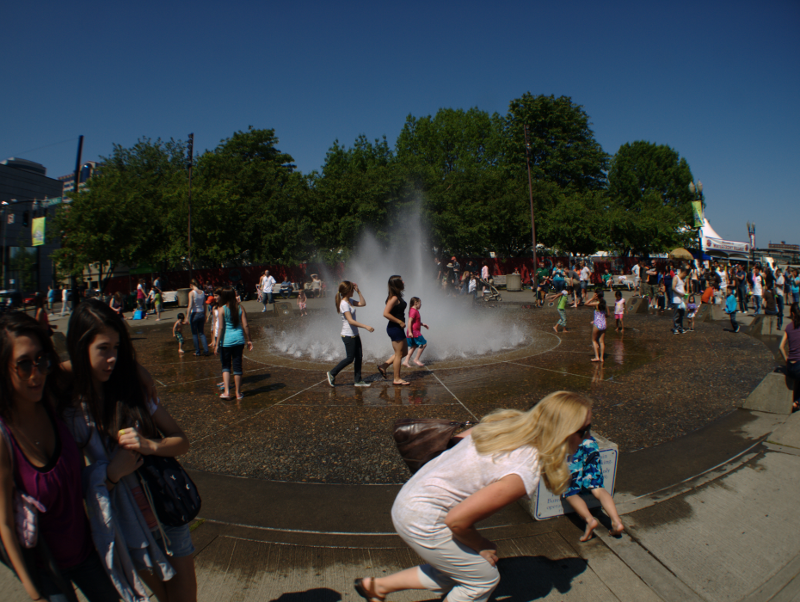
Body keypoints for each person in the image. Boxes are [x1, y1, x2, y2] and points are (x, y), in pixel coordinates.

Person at [354, 391, 593, 602]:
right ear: (565, 433)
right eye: (584, 431)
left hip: (411, 497)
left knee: (463, 569)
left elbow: (456, 446)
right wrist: (482, 545)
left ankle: (376, 587)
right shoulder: (524, 472)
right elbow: (457, 521)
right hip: (424, 517)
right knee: (482, 580)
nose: (588, 438)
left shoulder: (507, 423)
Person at [61, 299, 198, 601]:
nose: (112, 358)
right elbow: (70, 481)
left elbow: (181, 440)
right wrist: (111, 473)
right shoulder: (71, 410)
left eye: (117, 348)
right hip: (126, 521)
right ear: (80, 347)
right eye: (103, 348)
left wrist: (151, 444)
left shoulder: (131, 392)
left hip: (166, 510)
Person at [0, 312, 120, 602]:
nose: (36, 373)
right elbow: (2, 523)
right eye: (24, 364)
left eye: (41, 360)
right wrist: (34, 593)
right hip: (46, 570)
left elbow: (86, 366)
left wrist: (140, 375)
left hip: (87, 552)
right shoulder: (3, 437)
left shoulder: (51, 397)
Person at [562, 432, 624, 542]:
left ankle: (589, 520)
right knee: (598, 487)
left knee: (570, 491)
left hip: (571, 444)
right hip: (588, 441)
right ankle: (616, 520)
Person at [327, 281, 373, 388]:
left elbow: (363, 303)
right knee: (350, 358)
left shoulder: (350, 301)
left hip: (355, 334)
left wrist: (358, 291)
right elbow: (351, 321)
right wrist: (366, 326)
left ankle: (358, 380)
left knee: (359, 357)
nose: (353, 291)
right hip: (348, 335)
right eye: (352, 289)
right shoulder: (343, 304)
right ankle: (332, 373)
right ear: (347, 291)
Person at [214, 288, 254, 401]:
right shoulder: (240, 308)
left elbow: (221, 328)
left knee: (226, 366)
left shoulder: (222, 309)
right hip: (239, 341)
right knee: (237, 366)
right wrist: (249, 339)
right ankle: (238, 393)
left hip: (226, 342)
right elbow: (246, 325)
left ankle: (227, 392)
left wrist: (217, 344)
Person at [377, 276, 409, 386]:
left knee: (404, 352)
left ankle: (384, 366)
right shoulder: (394, 297)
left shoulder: (397, 296)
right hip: (394, 328)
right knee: (399, 354)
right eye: (401, 280)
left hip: (397, 328)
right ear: (396, 284)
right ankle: (397, 378)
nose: (404, 281)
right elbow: (385, 313)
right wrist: (399, 322)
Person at [779, 304, 800, 410]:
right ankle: (797, 401)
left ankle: (796, 401)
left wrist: (787, 359)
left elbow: (780, 347)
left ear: (792, 314)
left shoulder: (788, 327)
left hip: (790, 367)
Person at [403, 297, 429, 368]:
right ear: (416, 303)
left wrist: (423, 324)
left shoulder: (414, 311)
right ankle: (416, 359)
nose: (421, 305)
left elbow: (415, 322)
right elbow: (409, 321)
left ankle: (406, 361)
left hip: (413, 331)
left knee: (414, 346)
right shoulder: (413, 311)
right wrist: (410, 332)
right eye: (420, 303)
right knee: (424, 344)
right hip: (414, 332)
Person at [187, 279, 208, 356]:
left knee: (195, 334)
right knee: (202, 333)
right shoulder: (202, 292)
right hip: (201, 313)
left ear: (191, 285)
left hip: (195, 313)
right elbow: (205, 305)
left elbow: (190, 306)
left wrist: (187, 317)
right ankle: (206, 350)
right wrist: (205, 315)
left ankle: (197, 351)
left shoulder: (191, 293)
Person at [586, 296, 607, 362]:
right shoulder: (604, 303)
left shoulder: (596, 303)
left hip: (597, 324)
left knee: (594, 340)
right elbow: (607, 314)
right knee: (601, 341)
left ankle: (597, 357)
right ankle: (602, 358)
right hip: (603, 324)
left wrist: (592, 298)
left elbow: (586, 304)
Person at [671, 268, 687, 335]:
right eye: (685, 275)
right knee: (676, 314)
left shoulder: (682, 280)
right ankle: (675, 328)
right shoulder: (676, 278)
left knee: (681, 314)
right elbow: (673, 287)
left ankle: (680, 327)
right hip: (676, 299)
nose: (685, 276)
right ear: (683, 273)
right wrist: (680, 293)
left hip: (681, 300)